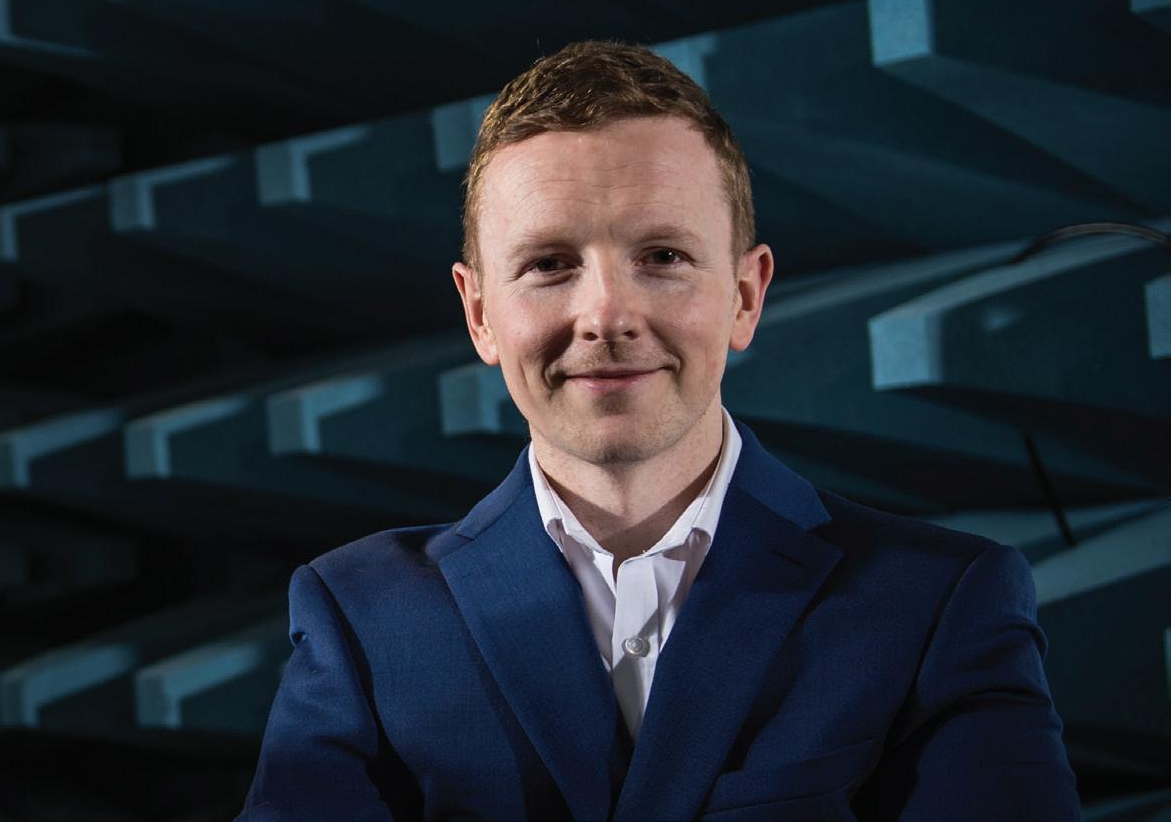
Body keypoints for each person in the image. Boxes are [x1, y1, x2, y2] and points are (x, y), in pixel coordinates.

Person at [237, 41, 1080, 821]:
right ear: (479, 312)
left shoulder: (936, 604)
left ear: (745, 295)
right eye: (549, 264)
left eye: (662, 257)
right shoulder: (361, 617)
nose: (606, 314)